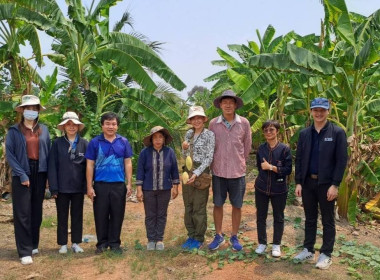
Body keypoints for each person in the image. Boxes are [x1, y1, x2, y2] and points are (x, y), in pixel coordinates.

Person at [294, 97, 347, 269]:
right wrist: (299, 182)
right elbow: (300, 159)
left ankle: (326, 253)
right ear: (311, 111)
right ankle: (308, 249)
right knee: (309, 218)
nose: (318, 113)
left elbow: (341, 161)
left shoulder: (337, 133)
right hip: (308, 182)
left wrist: (335, 184)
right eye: (315, 110)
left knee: (327, 219)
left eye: (322, 110)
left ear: (328, 112)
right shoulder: (304, 134)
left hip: (327, 184)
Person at [5, 95, 50, 265]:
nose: (31, 111)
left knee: (36, 211)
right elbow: (10, 155)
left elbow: (48, 152)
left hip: (40, 171)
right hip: (21, 172)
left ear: (38, 111)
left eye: (34, 108)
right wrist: (22, 175)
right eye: (28, 108)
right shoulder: (14, 130)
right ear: (23, 110)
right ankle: (24, 251)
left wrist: (48, 177)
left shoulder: (44, 130)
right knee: (22, 213)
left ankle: (33, 244)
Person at [208, 89, 252, 251]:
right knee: (218, 204)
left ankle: (234, 235)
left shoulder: (244, 123)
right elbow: (210, 146)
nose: (227, 105)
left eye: (230, 102)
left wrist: (238, 161)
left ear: (235, 105)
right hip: (218, 172)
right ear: (220, 105)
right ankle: (218, 235)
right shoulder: (213, 124)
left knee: (237, 205)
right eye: (224, 102)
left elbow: (246, 147)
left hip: (237, 172)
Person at [85, 112, 133, 254]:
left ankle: (115, 244)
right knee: (100, 215)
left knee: (117, 215)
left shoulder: (123, 142)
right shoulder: (95, 142)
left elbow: (128, 162)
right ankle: (101, 244)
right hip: (100, 184)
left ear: (117, 126)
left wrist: (129, 183)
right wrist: (89, 186)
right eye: (107, 123)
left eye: (113, 124)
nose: (110, 126)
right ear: (102, 125)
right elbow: (89, 164)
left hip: (118, 184)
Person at [48, 112, 88, 254]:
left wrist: (87, 187)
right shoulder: (57, 143)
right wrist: (54, 188)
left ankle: (76, 243)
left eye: (74, 124)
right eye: (68, 124)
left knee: (77, 215)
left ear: (78, 126)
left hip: (78, 188)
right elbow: (52, 166)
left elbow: (88, 167)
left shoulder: (84, 144)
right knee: (62, 215)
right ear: (64, 126)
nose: (71, 127)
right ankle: (63, 244)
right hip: (62, 188)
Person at [135, 126, 180, 251]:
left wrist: (175, 187)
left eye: (160, 137)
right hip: (148, 189)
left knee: (161, 215)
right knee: (150, 215)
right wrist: (139, 189)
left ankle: (159, 239)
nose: (158, 140)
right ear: (151, 139)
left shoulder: (170, 152)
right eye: (155, 137)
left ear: (164, 139)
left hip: (165, 189)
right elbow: (140, 172)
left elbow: (174, 171)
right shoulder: (145, 153)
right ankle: (151, 240)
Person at [254, 120, 292, 257]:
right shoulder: (261, 149)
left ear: (277, 131)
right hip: (262, 187)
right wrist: (266, 170)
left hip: (279, 189)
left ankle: (276, 244)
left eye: (271, 130)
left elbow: (288, 170)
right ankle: (262, 243)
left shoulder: (284, 149)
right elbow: (259, 167)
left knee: (278, 217)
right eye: (266, 130)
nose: (268, 132)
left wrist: (271, 167)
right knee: (261, 216)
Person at [181, 106, 215, 250]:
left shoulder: (209, 135)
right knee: (188, 205)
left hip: (202, 173)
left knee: (198, 206)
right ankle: (191, 235)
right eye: (193, 118)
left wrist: (197, 173)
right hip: (188, 171)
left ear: (203, 119)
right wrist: (183, 149)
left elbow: (209, 157)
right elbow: (185, 157)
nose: (196, 121)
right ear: (190, 121)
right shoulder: (188, 134)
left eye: (199, 118)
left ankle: (199, 238)